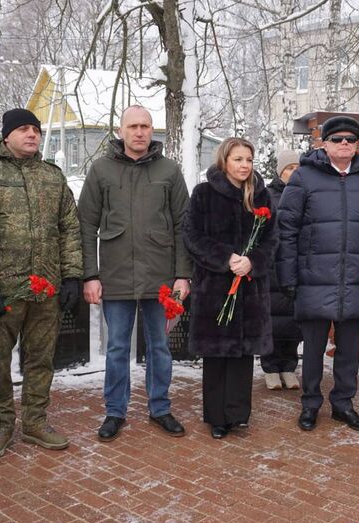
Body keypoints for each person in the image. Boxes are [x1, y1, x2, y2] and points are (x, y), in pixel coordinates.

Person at [0, 108, 83, 461]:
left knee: (41, 359)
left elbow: (69, 229)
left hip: (45, 290)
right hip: (4, 291)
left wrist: (71, 275)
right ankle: (0, 422)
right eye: (24, 129)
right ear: (6, 135)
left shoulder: (53, 178)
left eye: (36, 130)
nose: (32, 135)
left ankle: (34, 421)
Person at [78, 105, 192, 442]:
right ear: (121, 130)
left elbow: (184, 226)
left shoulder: (169, 171)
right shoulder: (101, 170)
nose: (139, 132)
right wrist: (90, 275)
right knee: (116, 348)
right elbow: (86, 225)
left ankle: (160, 407)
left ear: (152, 129)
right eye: (133, 126)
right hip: (115, 275)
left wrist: (182, 276)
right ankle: (115, 410)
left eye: (145, 126)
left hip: (161, 278)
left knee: (159, 346)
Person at [277, 116, 359, 433]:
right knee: (313, 350)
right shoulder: (303, 178)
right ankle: (310, 404)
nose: (345, 144)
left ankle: (344, 404)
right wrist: (288, 277)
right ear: (324, 143)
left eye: (351, 139)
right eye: (338, 139)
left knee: (349, 352)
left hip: (355, 281)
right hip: (314, 278)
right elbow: (286, 230)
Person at [183, 138, 277, 439]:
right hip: (215, 287)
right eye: (238, 159)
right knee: (217, 354)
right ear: (225, 161)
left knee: (242, 354)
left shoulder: (260, 195)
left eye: (248, 159)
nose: (244, 165)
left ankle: (238, 414)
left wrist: (253, 261)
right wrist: (226, 259)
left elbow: (273, 240)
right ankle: (216, 417)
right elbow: (192, 236)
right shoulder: (204, 193)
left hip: (250, 289)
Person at [262, 150, 303, 391]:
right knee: (272, 323)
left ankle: (289, 367)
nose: (294, 172)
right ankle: (270, 367)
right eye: (289, 168)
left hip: (296, 268)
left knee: (293, 323)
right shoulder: (267, 196)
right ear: (280, 172)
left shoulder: (305, 194)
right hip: (272, 269)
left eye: (298, 167)